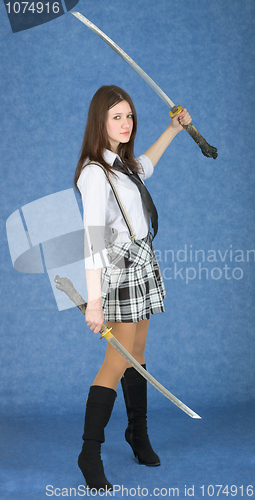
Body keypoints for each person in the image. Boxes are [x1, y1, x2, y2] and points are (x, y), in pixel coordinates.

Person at [74, 85, 191, 491]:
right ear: (100, 122)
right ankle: (90, 452)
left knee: (136, 355)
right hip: (119, 269)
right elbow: (91, 239)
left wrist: (173, 130)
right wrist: (94, 300)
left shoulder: (122, 165)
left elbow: (146, 164)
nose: (126, 124)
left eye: (129, 116)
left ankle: (137, 435)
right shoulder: (95, 173)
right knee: (116, 360)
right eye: (116, 117)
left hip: (142, 261)